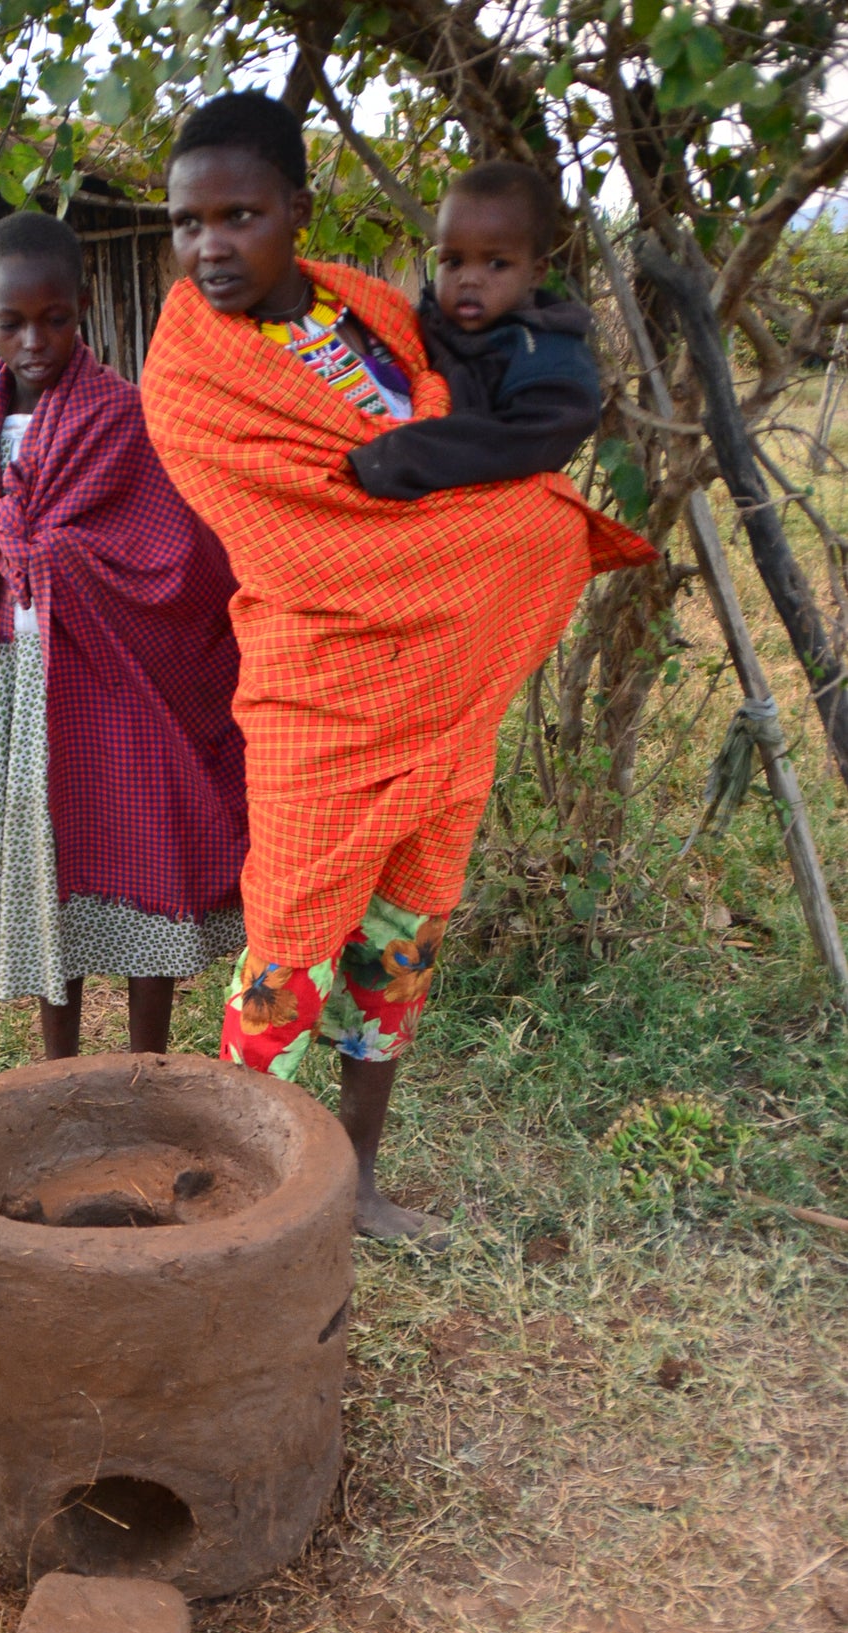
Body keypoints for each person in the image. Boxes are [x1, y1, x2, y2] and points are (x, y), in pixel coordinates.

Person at [141, 92, 654, 1243]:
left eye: (239, 214)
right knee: (284, 947)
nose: (210, 245)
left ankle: (357, 1182)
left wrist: (489, 522)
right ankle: (251, 1207)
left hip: (444, 693)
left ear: (295, 212)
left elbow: (465, 432)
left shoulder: (374, 307)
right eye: (186, 223)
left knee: (401, 931)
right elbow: (302, 524)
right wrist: (496, 523)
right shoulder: (189, 374)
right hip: (318, 684)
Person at [0, 210, 246, 1059]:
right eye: (12, 321)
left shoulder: (125, 417)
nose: (34, 338)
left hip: (119, 677)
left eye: (54, 318)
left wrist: (57, 556)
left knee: (143, 848)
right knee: (49, 867)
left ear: (82, 307)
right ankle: (58, 1072)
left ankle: (148, 1065)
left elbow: (173, 557)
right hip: (19, 679)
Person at [351, 161, 602, 500]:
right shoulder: (418, 322)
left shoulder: (550, 358)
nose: (469, 279)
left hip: (484, 509)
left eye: (496, 263)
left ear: (535, 273)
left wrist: (402, 455)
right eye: (453, 261)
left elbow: (522, 441)